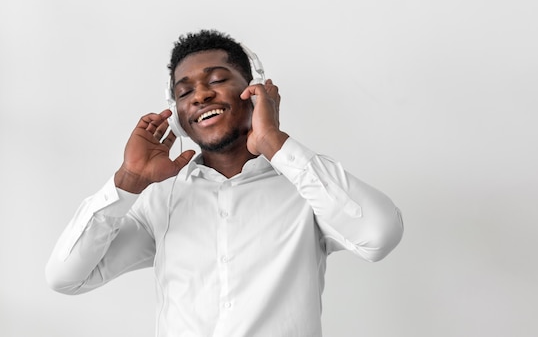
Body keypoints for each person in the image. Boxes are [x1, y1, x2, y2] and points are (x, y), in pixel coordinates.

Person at [46, 29, 404, 337]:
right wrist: (128, 181)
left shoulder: (306, 187)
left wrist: (274, 142)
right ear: (179, 118)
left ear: (254, 91)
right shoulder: (162, 200)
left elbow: (379, 235)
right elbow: (66, 277)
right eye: (185, 92)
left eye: (217, 80)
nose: (200, 95)